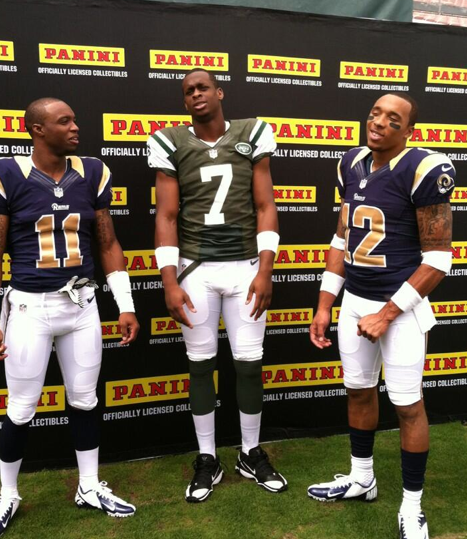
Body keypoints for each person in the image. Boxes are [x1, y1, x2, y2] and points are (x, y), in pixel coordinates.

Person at [308, 93, 454, 539]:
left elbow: (439, 259)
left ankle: (412, 506)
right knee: (358, 392)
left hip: (401, 307)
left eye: (393, 118)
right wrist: (325, 304)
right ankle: (362, 478)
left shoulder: (422, 168)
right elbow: (341, 239)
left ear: (409, 130)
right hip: (355, 300)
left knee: (408, 405)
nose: (379, 123)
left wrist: (388, 314)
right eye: (375, 113)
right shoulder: (351, 164)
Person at [0, 98, 140, 535]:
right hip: (30, 306)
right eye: (64, 121)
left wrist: (126, 303)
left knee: (84, 400)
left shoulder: (92, 171)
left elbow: (107, 241)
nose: (75, 127)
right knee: (21, 407)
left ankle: (89, 485)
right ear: (37, 130)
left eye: (75, 119)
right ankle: (6, 493)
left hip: (81, 304)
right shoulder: (9, 174)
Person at [147, 68, 287, 503]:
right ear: (184, 100)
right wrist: (169, 280)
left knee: (249, 363)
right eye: (188, 91)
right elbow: (166, 215)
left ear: (219, 92)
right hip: (196, 268)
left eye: (202, 87)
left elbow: (265, 204)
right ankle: (207, 457)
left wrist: (266, 270)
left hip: (246, 265)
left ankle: (250, 452)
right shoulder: (169, 141)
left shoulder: (252, 133)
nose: (195, 94)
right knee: (200, 364)